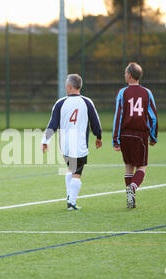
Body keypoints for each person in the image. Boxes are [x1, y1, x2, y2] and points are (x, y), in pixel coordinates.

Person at [42, 74, 102, 211]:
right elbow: (95, 121)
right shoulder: (87, 102)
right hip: (79, 143)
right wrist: (98, 136)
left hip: (65, 144)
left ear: (69, 87)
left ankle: (69, 197)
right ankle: (72, 202)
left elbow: (52, 124)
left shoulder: (60, 103)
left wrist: (45, 140)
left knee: (71, 168)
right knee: (77, 173)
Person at [112, 63, 158, 209]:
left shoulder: (122, 92)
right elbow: (153, 117)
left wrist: (116, 139)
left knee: (128, 166)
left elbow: (118, 117)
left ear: (130, 76)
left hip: (125, 134)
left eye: (125, 73)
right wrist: (153, 136)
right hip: (140, 135)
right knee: (142, 166)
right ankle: (133, 187)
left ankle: (130, 197)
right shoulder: (147, 92)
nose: (124, 75)